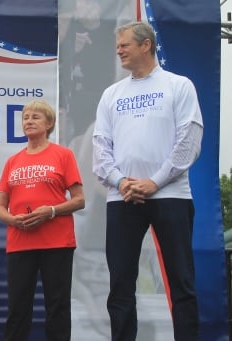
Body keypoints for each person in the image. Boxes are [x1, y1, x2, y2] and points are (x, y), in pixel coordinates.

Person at [92, 21, 203, 341]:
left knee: (181, 281)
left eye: (125, 44)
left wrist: (154, 181)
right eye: (117, 45)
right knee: (121, 284)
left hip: (171, 195)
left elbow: (189, 139)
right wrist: (121, 180)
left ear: (146, 45)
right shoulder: (112, 93)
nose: (119, 50)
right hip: (122, 197)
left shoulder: (178, 85)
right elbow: (101, 146)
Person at [0, 100, 85, 340]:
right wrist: (12, 220)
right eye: (25, 117)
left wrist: (50, 212)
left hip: (56, 242)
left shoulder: (63, 155)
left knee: (57, 306)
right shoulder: (12, 161)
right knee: (17, 308)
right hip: (20, 242)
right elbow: (0, 207)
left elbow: (79, 200)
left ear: (49, 123)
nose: (29, 121)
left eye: (35, 117)